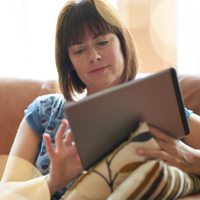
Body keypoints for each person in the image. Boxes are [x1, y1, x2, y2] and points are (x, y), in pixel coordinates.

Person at [1, 0, 200, 199]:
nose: (94, 56)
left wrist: (189, 158)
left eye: (103, 42)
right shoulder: (44, 111)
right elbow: (6, 193)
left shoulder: (158, 106)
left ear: (122, 43)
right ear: (69, 63)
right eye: (79, 50)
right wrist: (53, 181)